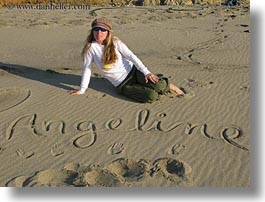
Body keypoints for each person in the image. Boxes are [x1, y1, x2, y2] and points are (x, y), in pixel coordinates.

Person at [69, 18, 184, 103]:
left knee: (159, 86)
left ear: (108, 32)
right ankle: (153, 87)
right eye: (96, 29)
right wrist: (82, 89)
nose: (99, 32)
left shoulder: (115, 42)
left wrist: (146, 72)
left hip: (134, 72)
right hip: (122, 84)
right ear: (92, 31)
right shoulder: (90, 48)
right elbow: (87, 69)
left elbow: (131, 56)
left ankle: (168, 85)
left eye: (103, 30)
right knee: (151, 96)